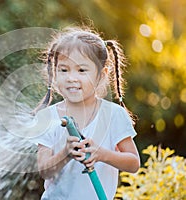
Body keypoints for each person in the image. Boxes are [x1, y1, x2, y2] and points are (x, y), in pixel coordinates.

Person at [33, 26, 140, 200]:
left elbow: (133, 163)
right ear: (54, 73)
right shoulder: (47, 117)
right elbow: (44, 170)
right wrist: (65, 154)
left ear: (102, 74)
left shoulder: (113, 115)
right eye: (64, 70)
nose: (71, 78)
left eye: (82, 70)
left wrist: (102, 154)